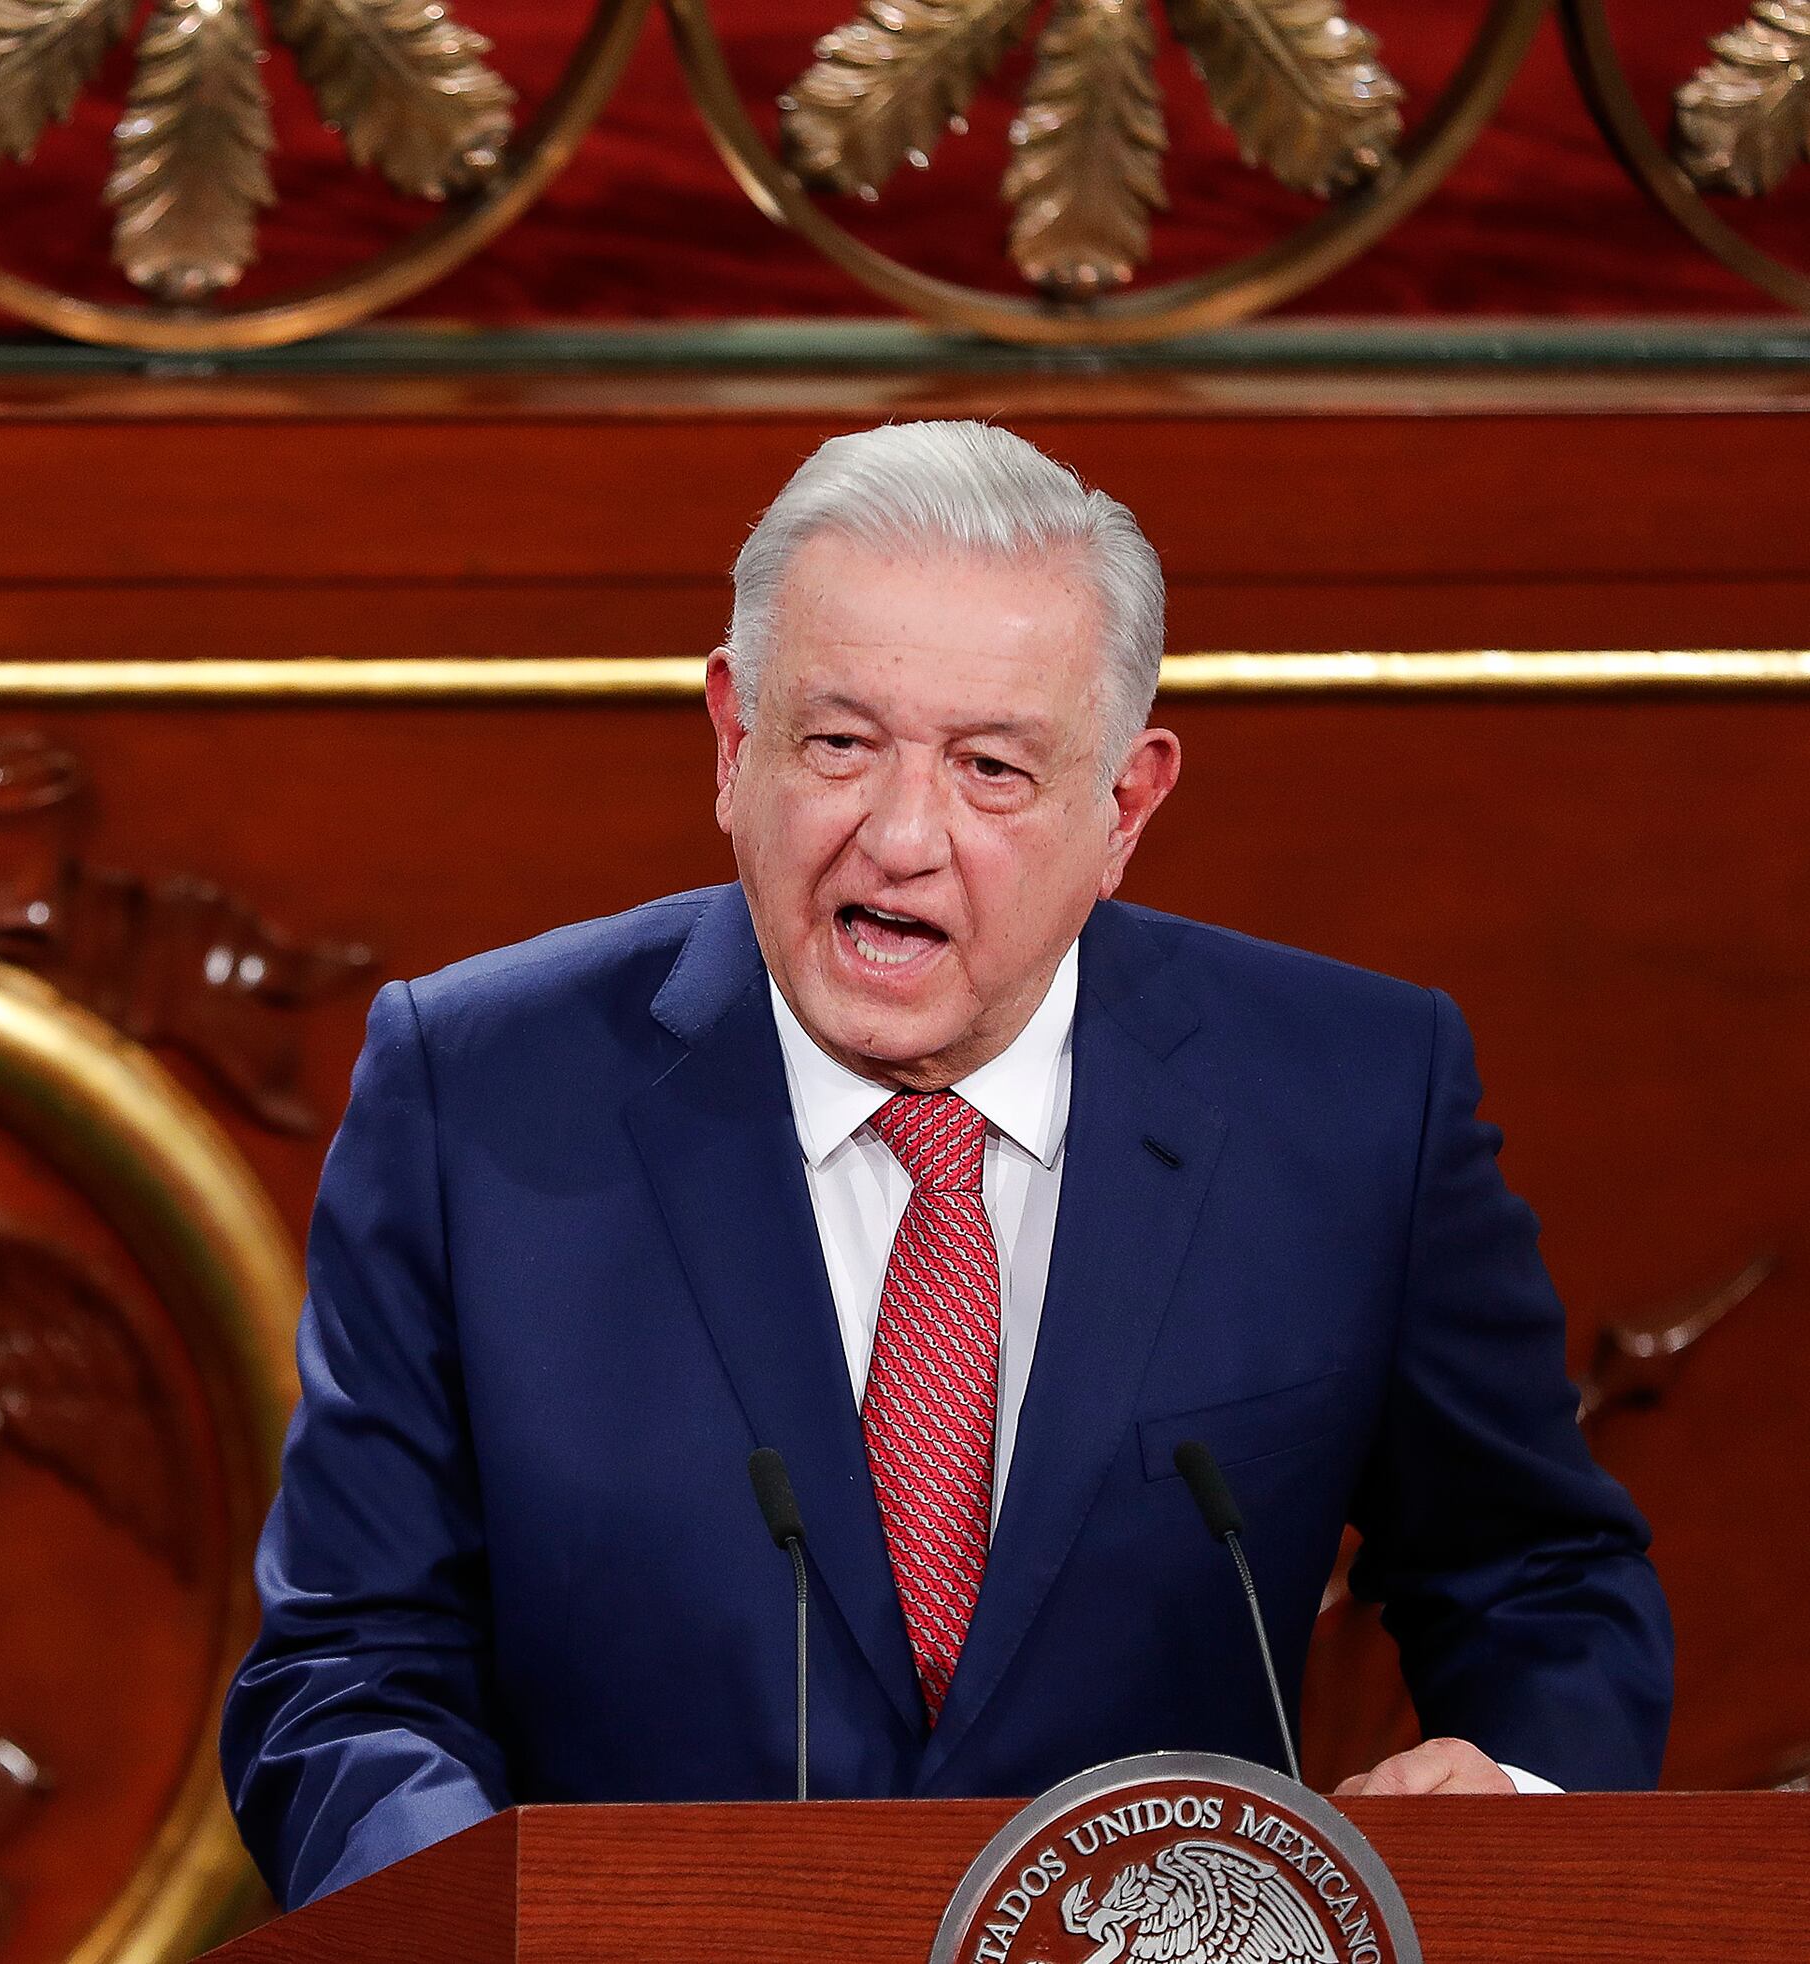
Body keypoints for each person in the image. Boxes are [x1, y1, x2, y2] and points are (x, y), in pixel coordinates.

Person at [218, 421, 1673, 1910]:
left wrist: (1516, 1789)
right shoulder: (474, 1092)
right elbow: (348, 1675)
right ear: (732, 743)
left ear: (1125, 807)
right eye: (839, 744)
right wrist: (493, 1926)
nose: (901, 837)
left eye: (991, 768)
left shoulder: (1351, 1104)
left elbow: (1540, 1582)